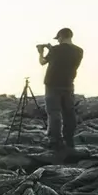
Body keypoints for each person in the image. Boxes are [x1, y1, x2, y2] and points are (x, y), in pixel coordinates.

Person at [37, 28, 83, 157]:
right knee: (69, 112)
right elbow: (64, 57)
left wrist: (41, 52)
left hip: (52, 84)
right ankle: (69, 140)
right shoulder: (79, 51)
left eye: (58, 39)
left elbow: (42, 62)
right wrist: (53, 49)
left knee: (54, 113)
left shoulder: (56, 50)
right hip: (68, 84)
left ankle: (55, 141)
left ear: (61, 37)